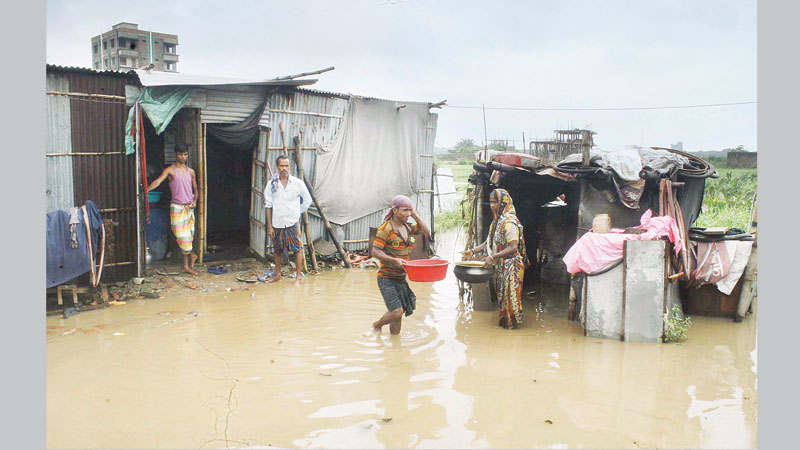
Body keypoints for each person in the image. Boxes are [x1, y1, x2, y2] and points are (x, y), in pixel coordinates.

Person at [463, 188, 528, 329]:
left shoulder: (509, 222)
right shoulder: (497, 221)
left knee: (511, 299)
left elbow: (513, 247)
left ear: (503, 203)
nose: (491, 205)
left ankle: (513, 332)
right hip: (502, 266)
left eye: (495, 202)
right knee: (503, 299)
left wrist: (492, 256)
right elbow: (488, 242)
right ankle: (506, 327)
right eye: (490, 202)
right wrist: (472, 251)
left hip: (511, 266)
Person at [371, 195, 431, 335]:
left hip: (401, 277)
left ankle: (395, 346)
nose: (408, 214)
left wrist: (414, 215)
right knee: (397, 312)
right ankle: (377, 325)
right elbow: (375, 251)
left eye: (410, 210)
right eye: (405, 210)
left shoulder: (407, 227)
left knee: (398, 316)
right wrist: (394, 260)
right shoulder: (386, 229)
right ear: (395, 210)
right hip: (386, 278)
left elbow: (425, 231)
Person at [147, 143, 199, 275]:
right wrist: (146, 190)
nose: (183, 157)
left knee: (188, 236)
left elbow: (196, 189)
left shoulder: (191, 171)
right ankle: (192, 255)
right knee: (181, 235)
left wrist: (195, 200)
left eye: (185, 154)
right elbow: (158, 181)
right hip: (176, 207)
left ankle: (186, 265)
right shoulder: (170, 170)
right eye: (181, 154)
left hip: (189, 207)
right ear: (176, 154)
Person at [264, 155, 312, 286]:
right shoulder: (272, 184)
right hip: (277, 222)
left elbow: (308, 200)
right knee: (277, 249)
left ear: (289, 167)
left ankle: (298, 277)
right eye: (282, 166)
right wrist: (269, 226)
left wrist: (297, 212)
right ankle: (278, 274)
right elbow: (268, 206)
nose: (285, 168)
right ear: (277, 167)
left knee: (297, 249)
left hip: (293, 222)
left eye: (287, 166)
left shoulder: (297, 183)